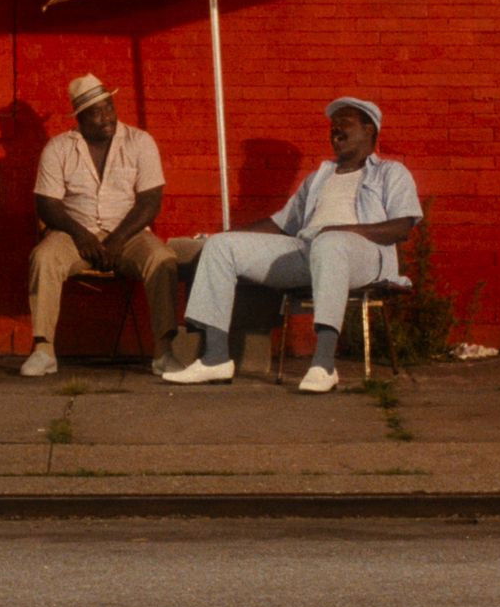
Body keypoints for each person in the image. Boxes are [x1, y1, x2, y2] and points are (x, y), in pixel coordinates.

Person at [161, 97, 420, 393]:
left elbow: (402, 227)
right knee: (221, 246)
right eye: (332, 125)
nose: (335, 129)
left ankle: (324, 365)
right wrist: (222, 235)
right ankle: (215, 358)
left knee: (330, 243)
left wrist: (339, 231)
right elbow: (280, 224)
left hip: (364, 256)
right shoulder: (318, 178)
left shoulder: (390, 172)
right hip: (310, 250)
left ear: (369, 129)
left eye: (344, 122)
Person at [23, 74, 181, 377]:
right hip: (73, 232)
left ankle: (164, 352)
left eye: (109, 107)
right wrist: (81, 235)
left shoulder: (140, 142)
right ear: (80, 117)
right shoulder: (58, 148)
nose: (106, 117)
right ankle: (44, 351)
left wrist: (117, 239)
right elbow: (47, 204)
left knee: (163, 259)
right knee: (43, 258)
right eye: (96, 112)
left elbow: (150, 202)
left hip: (129, 234)